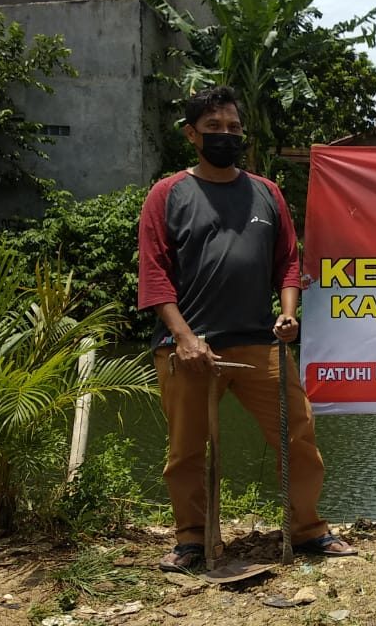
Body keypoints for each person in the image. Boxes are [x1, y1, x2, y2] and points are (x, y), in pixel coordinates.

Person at [138, 86, 356, 571]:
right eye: (213, 128)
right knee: (187, 450)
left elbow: (288, 263)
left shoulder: (266, 192)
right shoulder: (168, 194)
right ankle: (192, 539)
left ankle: (307, 529)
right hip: (190, 350)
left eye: (234, 128)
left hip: (261, 344)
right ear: (191, 134)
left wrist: (288, 312)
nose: (225, 136)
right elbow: (153, 275)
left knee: (297, 435)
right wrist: (183, 336)